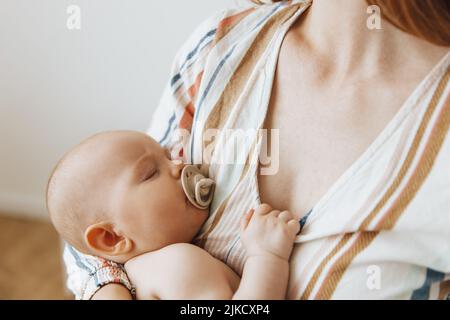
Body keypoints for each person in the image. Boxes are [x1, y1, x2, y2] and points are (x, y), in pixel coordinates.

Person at [61, 0, 450, 299]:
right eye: (154, 170)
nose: (179, 163)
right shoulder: (221, 44)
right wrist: (106, 287)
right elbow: (95, 209)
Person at [46, 130, 300, 299]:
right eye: (150, 173)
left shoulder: (137, 275)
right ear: (112, 238)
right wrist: (266, 256)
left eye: (168, 156)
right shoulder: (177, 264)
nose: (180, 164)